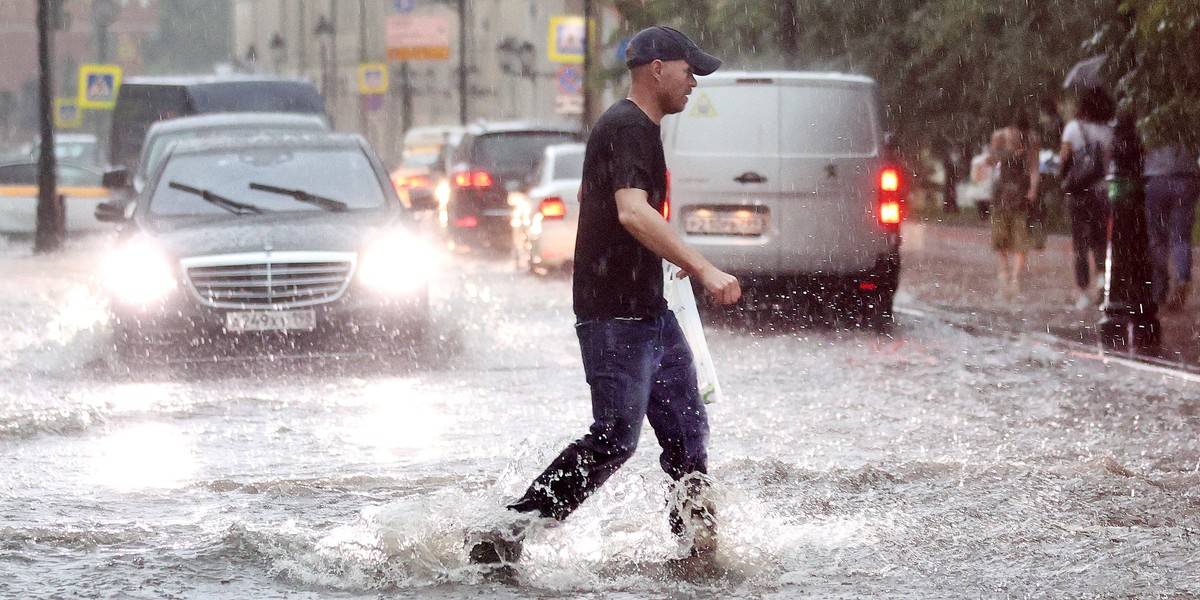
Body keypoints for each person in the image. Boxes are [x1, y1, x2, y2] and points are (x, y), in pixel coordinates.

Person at [467, 25, 741, 568]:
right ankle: (506, 533)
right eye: (690, 71)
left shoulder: (637, 127)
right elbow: (631, 211)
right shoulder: (628, 125)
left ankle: (697, 548)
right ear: (657, 67)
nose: (695, 84)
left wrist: (663, 263)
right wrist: (703, 267)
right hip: (614, 315)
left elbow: (624, 216)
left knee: (687, 431)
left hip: (649, 311)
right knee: (616, 436)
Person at [1059, 87, 1115, 310]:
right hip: (1101, 192)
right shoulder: (1109, 131)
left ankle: (1083, 292)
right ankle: (1102, 281)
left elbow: (1064, 158)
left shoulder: (1074, 128)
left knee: (1080, 243)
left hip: (1079, 192)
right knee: (1100, 240)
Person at [985, 113, 1041, 295]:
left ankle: (1016, 275)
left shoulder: (1030, 143)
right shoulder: (999, 138)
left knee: (1021, 235)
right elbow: (991, 161)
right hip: (1002, 193)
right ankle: (1004, 268)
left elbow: (1034, 168)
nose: (1017, 136)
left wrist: (1033, 189)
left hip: (1020, 194)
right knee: (1000, 234)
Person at [1142, 141, 1200, 311]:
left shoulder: (1152, 121)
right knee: (1181, 237)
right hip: (1186, 178)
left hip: (1156, 179)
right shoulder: (1188, 121)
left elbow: (1144, 148)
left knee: (1157, 238)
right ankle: (1182, 278)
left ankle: (1159, 289)